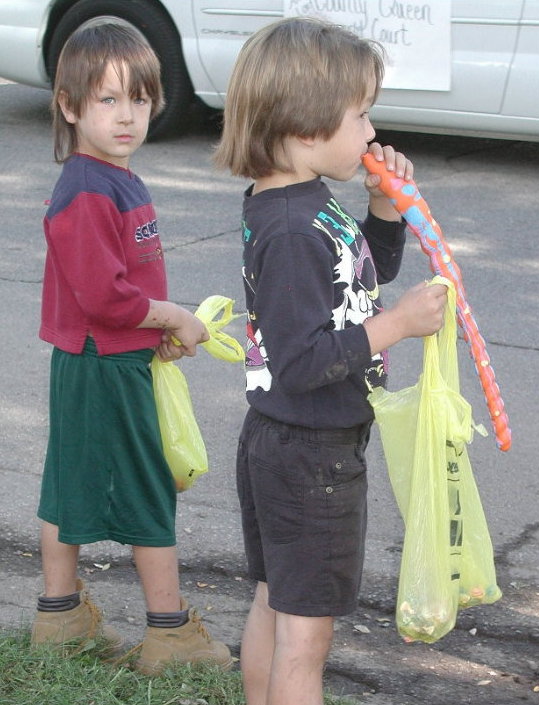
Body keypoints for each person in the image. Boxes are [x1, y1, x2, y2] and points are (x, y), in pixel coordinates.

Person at [214, 16, 448, 705]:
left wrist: (382, 210)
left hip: (286, 442)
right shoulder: (290, 229)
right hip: (310, 453)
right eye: (360, 115)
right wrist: (397, 326)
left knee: (276, 600)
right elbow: (303, 359)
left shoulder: (301, 203)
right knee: (305, 636)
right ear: (307, 126)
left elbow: (355, 284)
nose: (371, 133)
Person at [31, 18, 232, 675]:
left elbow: (120, 294)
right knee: (146, 485)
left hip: (104, 357)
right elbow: (106, 297)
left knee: (71, 481)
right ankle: (169, 634)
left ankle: (58, 618)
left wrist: (159, 332)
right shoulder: (87, 189)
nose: (127, 116)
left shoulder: (112, 177)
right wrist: (172, 316)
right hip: (103, 362)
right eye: (107, 99)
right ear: (68, 105)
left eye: (139, 99)